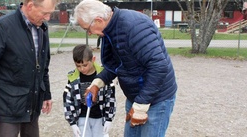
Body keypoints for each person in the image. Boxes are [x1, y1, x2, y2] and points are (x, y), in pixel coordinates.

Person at [73, 0, 178, 137]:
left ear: (98, 20)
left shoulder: (135, 27)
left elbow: (159, 66)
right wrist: (97, 83)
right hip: (135, 96)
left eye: (87, 29)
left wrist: (140, 106)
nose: (90, 33)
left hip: (157, 98)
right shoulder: (109, 31)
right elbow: (117, 64)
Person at [0, 0, 56, 136]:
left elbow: (43, 66)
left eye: (50, 14)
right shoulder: (2, 27)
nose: (47, 18)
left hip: (32, 102)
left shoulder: (42, 27)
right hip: (7, 106)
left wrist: (46, 93)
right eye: (45, 13)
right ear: (30, 6)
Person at [63, 44, 116, 137]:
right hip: (82, 117)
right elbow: (68, 100)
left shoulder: (103, 75)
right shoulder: (73, 78)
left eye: (85, 65)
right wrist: (72, 123)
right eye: (78, 66)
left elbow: (110, 97)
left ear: (93, 59)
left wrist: (109, 119)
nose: (82, 69)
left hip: (99, 117)